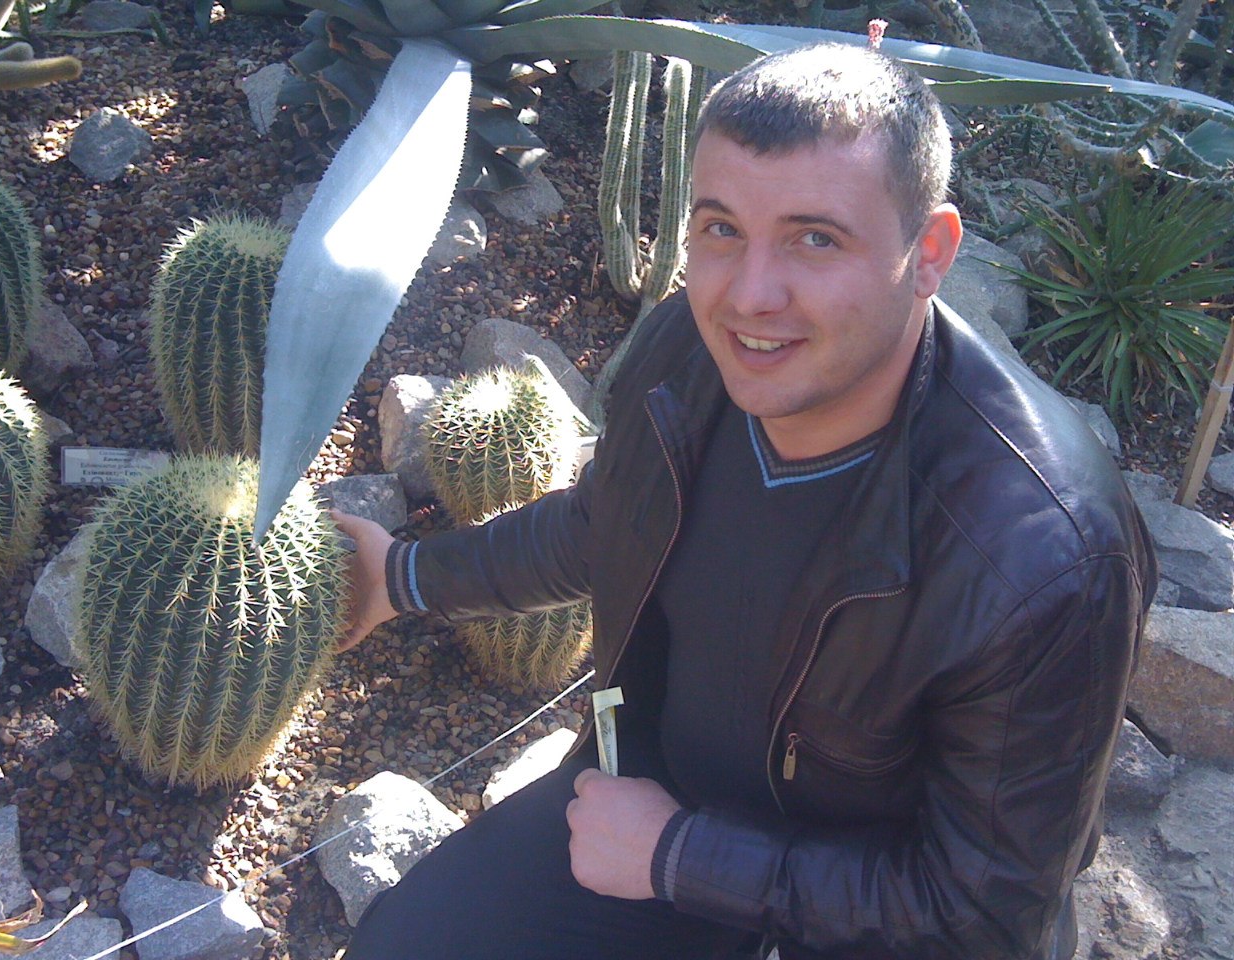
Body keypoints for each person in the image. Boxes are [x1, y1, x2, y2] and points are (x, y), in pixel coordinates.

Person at [331, 42, 1157, 960]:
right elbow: (606, 524)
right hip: (651, 813)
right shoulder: (686, 354)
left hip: (866, 916)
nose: (750, 297)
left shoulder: (1044, 560)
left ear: (928, 254)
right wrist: (401, 577)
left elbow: (985, 917)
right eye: (721, 229)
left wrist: (682, 859)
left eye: (815, 238)